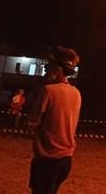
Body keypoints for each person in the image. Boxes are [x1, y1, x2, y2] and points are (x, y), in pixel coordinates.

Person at [27, 46, 81, 194]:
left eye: (49, 64)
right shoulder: (76, 93)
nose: (45, 67)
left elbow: (32, 123)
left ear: (57, 68)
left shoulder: (48, 91)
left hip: (47, 158)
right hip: (66, 160)